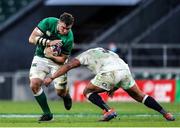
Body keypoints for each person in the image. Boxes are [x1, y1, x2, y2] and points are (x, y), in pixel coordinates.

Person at [43, 47, 175, 122]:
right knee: (140, 96)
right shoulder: (104, 51)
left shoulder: (84, 55)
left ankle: (108, 111)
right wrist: (115, 86)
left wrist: (52, 77)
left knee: (87, 92)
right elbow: (117, 65)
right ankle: (166, 113)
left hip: (110, 71)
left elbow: (69, 66)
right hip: (124, 69)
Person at [28, 12, 74, 122]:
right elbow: (31, 39)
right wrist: (49, 42)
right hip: (41, 57)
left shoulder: (69, 38)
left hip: (57, 62)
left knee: (60, 92)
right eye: (63, 27)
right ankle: (47, 114)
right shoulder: (48, 22)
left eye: (68, 29)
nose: (65, 31)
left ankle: (65, 95)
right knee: (34, 84)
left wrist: (50, 56)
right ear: (59, 22)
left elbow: (63, 59)